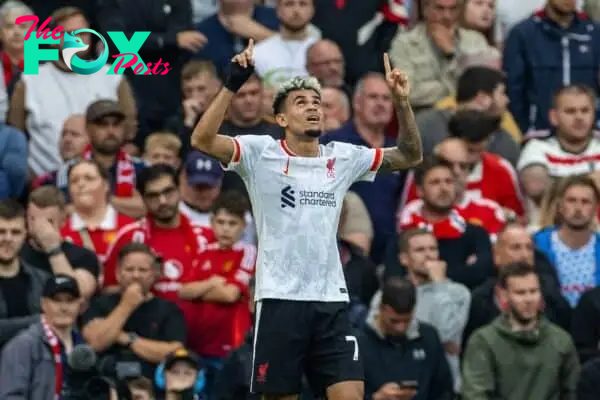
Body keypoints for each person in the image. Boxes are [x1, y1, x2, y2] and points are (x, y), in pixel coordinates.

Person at [191, 40, 423, 399]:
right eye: (301, 102)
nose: (312, 108)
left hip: (331, 300)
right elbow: (202, 139)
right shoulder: (259, 153)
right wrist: (232, 83)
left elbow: (410, 155)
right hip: (279, 300)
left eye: (317, 103)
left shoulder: (343, 157)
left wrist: (402, 104)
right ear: (281, 118)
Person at [461, 262, 580, 400]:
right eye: (520, 293)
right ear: (503, 295)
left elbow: (573, 392)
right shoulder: (484, 341)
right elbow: (476, 395)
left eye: (533, 291)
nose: (528, 299)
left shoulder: (561, 340)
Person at [0, 274, 83, 399]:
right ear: (43, 304)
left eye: (70, 300)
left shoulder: (82, 347)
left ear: (79, 305)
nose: (64, 307)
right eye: (57, 300)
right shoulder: (22, 346)